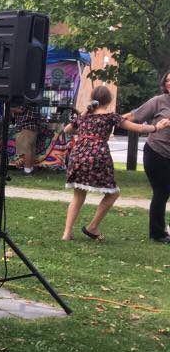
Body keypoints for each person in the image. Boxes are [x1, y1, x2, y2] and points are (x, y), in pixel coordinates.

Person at [61, 86, 169, 241]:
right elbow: (137, 127)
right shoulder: (111, 117)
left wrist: (85, 115)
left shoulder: (84, 116)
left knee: (78, 196)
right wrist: (156, 127)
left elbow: (66, 130)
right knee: (113, 193)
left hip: (78, 156)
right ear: (110, 100)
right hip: (98, 156)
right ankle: (93, 226)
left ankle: (66, 233)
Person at [123, 72, 170, 244]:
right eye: (168, 81)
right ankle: (157, 233)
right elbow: (135, 115)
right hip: (157, 152)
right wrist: (110, 119)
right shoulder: (158, 101)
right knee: (162, 191)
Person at [12, 102, 42, 175]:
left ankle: (27, 170)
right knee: (31, 149)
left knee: (26, 150)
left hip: (26, 126)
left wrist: (9, 108)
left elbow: (20, 110)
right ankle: (30, 169)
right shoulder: (34, 97)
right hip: (32, 126)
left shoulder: (26, 98)